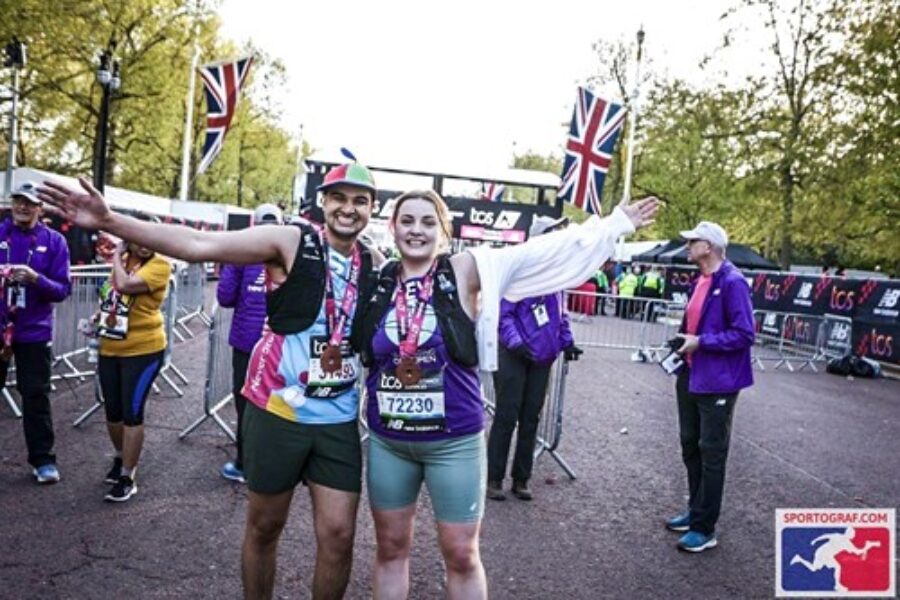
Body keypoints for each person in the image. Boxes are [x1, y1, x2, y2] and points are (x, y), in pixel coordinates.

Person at [37, 162, 382, 600]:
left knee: (338, 536)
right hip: (278, 410)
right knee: (265, 526)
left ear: (373, 208)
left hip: (337, 417)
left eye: (360, 201)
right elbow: (201, 244)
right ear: (323, 201)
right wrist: (110, 221)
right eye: (339, 198)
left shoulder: (373, 261)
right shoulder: (291, 240)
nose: (348, 209)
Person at [358, 190, 658, 598]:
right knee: (391, 550)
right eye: (407, 221)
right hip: (390, 442)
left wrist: (611, 226)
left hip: (452, 443)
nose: (416, 230)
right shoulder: (376, 278)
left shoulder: (465, 270)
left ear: (444, 232)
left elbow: (538, 252)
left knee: (461, 553)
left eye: (428, 222)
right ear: (392, 228)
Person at [665, 221, 754, 553]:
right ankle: (696, 511)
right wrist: (683, 341)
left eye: (693, 241)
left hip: (718, 380)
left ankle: (705, 527)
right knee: (690, 444)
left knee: (712, 452)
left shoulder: (733, 282)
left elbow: (745, 334)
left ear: (710, 246)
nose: (687, 245)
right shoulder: (699, 280)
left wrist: (700, 342)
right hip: (691, 374)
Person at [486, 215, 582, 502]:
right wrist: (515, 343)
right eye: (555, 233)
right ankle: (494, 478)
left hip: (541, 357)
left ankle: (522, 478)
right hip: (514, 356)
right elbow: (504, 313)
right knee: (506, 415)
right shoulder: (520, 269)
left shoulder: (556, 276)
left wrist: (568, 342)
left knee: (531, 418)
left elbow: (560, 315)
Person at [0, 181, 71, 484]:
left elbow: (62, 289)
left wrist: (36, 278)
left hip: (34, 332)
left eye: (29, 202)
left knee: (35, 395)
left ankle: (43, 460)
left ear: (40, 209)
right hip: (0, 328)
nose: (22, 207)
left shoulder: (55, 242)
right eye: (18, 200)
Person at [96, 239, 170, 502]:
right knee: (113, 412)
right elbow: (111, 294)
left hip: (144, 350)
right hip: (110, 347)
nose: (145, 245)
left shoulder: (160, 264)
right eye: (139, 240)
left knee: (132, 412)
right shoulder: (124, 262)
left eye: (149, 239)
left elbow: (125, 285)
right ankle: (120, 456)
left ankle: (128, 475)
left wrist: (116, 254)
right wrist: (97, 317)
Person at [217, 203, 283, 484]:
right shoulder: (291, 251)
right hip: (282, 343)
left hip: (247, 342)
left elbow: (225, 296)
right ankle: (278, 464)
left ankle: (244, 463)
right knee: (279, 401)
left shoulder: (241, 253)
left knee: (245, 401)